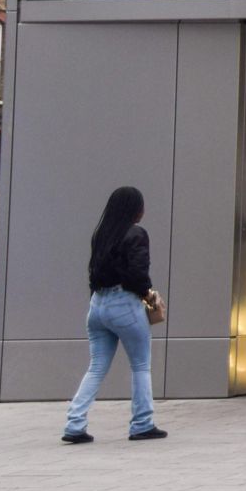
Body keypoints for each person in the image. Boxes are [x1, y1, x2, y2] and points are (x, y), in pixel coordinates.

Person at [63, 186, 164, 442]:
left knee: (96, 367)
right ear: (135, 209)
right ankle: (142, 423)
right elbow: (138, 274)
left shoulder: (101, 234)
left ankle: (75, 424)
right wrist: (148, 295)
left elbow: (93, 273)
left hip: (97, 305)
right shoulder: (137, 234)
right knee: (140, 365)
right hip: (125, 304)